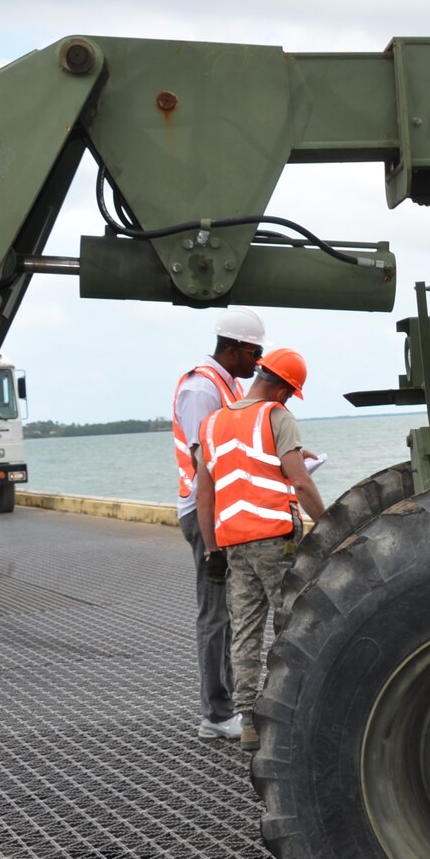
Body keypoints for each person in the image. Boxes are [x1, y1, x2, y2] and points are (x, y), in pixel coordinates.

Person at [195, 347, 327, 754]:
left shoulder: (212, 423)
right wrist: (330, 525)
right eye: (290, 392)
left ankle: (249, 723)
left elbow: (206, 493)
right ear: (283, 386)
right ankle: (297, 713)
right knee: (294, 624)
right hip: (276, 541)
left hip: (233, 545)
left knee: (245, 633)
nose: (288, 399)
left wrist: (212, 550)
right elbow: (301, 484)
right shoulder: (277, 417)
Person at [172, 306, 264, 742]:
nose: (258, 361)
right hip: (204, 513)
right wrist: (212, 544)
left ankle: (226, 705)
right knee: (214, 615)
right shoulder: (200, 390)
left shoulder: (228, 385)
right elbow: (202, 463)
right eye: (254, 352)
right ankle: (216, 713)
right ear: (233, 349)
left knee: (229, 612)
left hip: (225, 511)